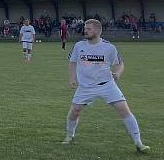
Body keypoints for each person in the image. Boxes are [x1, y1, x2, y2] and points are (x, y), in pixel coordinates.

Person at [62, 19, 149, 152]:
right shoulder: (79, 46)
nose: (85, 30)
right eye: (85, 28)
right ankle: (69, 135)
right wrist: (71, 79)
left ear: (97, 30)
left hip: (107, 85)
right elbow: (72, 62)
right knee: (75, 111)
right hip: (85, 87)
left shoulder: (109, 47)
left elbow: (120, 63)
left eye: (88, 29)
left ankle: (138, 143)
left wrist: (118, 73)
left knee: (124, 110)